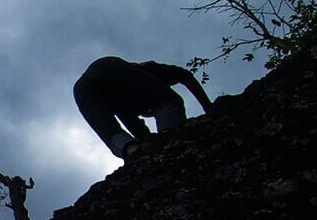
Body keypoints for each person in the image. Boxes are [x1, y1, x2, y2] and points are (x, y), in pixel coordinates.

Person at [72, 56, 213, 160]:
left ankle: (132, 151)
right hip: (107, 65)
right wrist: (208, 106)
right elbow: (184, 75)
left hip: (81, 89)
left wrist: (146, 141)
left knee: (111, 132)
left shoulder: (126, 107)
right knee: (168, 100)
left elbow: (138, 130)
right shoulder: (150, 72)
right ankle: (170, 135)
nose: (150, 114)